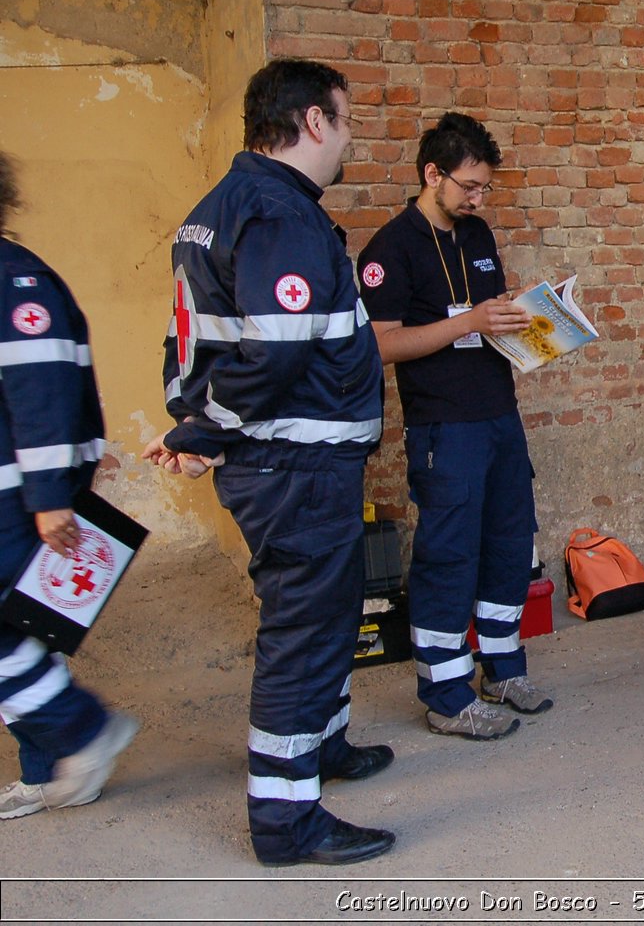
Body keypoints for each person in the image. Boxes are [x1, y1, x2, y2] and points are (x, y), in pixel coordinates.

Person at [142, 59, 394, 865]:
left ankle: (323, 747)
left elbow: (199, 342)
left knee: (327, 614)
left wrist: (195, 427)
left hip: (294, 459)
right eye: (345, 121)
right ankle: (288, 822)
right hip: (294, 464)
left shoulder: (222, 207)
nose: (348, 137)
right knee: (304, 633)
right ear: (314, 123)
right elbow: (271, 353)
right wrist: (201, 433)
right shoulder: (279, 211)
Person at [356, 113, 552, 742]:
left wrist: (533, 328)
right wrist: (470, 323)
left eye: (485, 189)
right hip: (443, 426)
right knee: (447, 556)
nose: (477, 198)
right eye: (469, 186)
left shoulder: (477, 236)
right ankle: (445, 692)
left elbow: (483, 318)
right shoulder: (390, 249)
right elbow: (383, 346)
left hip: (498, 415)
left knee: (508, 541)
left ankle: (502, 668)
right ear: (431, 174)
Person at [0, 152, 138, 821]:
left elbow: (42, 389)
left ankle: (81, 731)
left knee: (15, 634)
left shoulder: (16, 280)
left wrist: (51, 496)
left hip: (16, 497)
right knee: (25, 632)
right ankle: (47, 765)